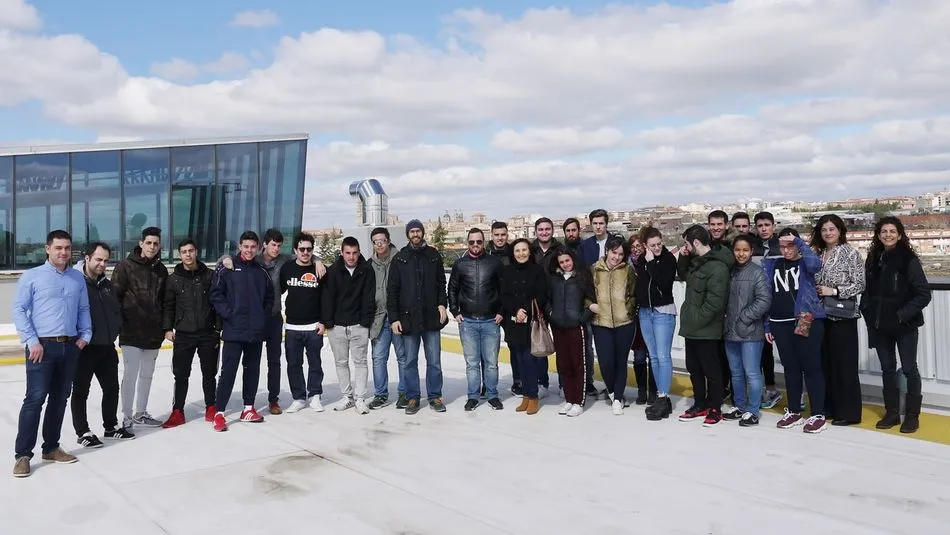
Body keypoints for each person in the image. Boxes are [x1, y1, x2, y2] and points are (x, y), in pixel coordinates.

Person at [220, 229, 327, 415]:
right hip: (253, 319)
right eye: (273, 245)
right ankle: (240, 403)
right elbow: (234, 258)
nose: (276, 249)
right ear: (265, 245)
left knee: (274, 361)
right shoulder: (255, 260)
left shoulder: (284, 260)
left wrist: (318, 261)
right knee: (251, 362)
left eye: (279, 245)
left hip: (274, 317)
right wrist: (224, 258)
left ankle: (273, 400)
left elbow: (304, 253)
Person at [12, 230, 92, 478]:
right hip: (41, 348)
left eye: (67, 248)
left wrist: (85, 336)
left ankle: (51, 448)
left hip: (69, 347)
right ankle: (23, 455)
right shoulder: (32, 277)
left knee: (59, 399)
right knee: (35, 400)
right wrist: (32, 340)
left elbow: (83, 309)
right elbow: (18, 309)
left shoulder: (77, 279)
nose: (63, 252)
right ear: (48, 249)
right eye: (58, 248)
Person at [861, 216, 932, 434]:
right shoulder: (873, 259)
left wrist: (901, 315)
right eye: (884, 231)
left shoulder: (908, 259)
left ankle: (912, 416)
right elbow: (869, 293)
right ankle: (892, 412)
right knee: (887, 369)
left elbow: (923, 294)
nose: (888, 235)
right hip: (880, 326)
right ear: (878, 235)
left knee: (910, 369)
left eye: (893, 231)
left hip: (904, 326)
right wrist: (869, 314)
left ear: (900, 235)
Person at [209, 231, 274, 432]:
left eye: (253, 247)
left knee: (252, 370)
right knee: (228, 371)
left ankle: (248, 408)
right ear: (239, 246)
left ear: (258, 248)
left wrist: (261, 317)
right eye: (246, 246)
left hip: (255, 331)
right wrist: (230, 314)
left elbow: (269, 298)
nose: (249, 250)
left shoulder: (261, 271)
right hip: (234, 330)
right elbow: (215, 294)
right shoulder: (227, 268)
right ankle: (219, 413)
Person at [764, 228, 828, 434]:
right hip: (779, 322)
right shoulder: (772, 265)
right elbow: (767, 295)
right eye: (782, 246)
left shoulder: (804, 263)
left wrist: (800, 243)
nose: (786, 250)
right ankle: (793, 411)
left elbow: (815, 264)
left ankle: (817, 414)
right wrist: (767, 324)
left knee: (811, 367)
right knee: (790, 368)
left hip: (805, 319)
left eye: (790, 245)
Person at [71, 242, 133, 447]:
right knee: (81, 391)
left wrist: (117, 329)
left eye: (106, 260)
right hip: (84, 348)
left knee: (112, 389)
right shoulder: (75, 283)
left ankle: (110, 427)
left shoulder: (107, 285)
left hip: (106, 347)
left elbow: (115, 311)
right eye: (98, 259)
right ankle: (83, 432)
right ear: (87, 258)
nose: (102, 264)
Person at [811, 214, 866, 427]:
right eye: (824, 230)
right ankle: (831, 407)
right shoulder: (819, 253)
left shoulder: (851, 254)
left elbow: (859, 284)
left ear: (840, 231)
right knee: (826, 363)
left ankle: (850, 412)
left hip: (842, 316)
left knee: (845, 365)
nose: (828, 233)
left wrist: (833, 290)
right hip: (822, 315)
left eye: (832, 229)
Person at [676, 224, 733, 427]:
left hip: (706, 330)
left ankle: (715, 407)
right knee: (694, 369)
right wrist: (683, 255)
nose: (685, 247)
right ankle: (699, 403)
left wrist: (696, 320)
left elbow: (714, 303)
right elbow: (682, 274)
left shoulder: (717, 267)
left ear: (696, 242)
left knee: (712, 371)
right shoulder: (696, 262)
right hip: (692, 328)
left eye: (687, 244)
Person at [112, 226, 169, 428]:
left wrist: (165, 328)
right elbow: (114, 299)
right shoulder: (125, 266)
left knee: (147, 375)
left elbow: (165, 302)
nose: (152, 247)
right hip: (131, 332)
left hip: (153, 333)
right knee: (130, 374)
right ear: (141, 243)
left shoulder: (161, 270)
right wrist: (119, 326)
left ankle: (141, 412)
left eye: (155, 243)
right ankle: (126, 417)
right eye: (148, 243)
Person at [161, 239, 220, 428]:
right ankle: (178, 411)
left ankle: (211, 406)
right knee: (181, 374)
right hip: (184, 334)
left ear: (196, 252)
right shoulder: (174, 279)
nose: (188, 254)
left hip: (208, 333)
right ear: (180, 254)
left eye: (191, 251)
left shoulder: (210, 276)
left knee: (209, 373)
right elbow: (168, 306)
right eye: (184, 251)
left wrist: (218, 327)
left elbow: (217, 302)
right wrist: (168, 328)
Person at [449, 228, 505, 411]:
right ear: (467, 243)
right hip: (468, 322)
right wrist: (455, 310)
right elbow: (453, 289)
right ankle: (473, 396)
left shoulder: (494, 263)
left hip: (491, 321)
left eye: (478, 242)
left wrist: (502, 311)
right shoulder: (460, 264)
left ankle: (492, 395)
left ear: (483, 242)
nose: (475, 245)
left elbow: (504, 289)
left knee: (491, 363)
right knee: (472, 362)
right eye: (472, 242)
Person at [323, 237, 376, 415]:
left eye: (354, 253)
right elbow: (328, 297)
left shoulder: (366, 270)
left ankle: (360, 399)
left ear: (359, 252)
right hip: (337, 326)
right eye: (348, 253)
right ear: (342, 253)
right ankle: (347, 397)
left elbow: (369, 298)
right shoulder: (333, 271)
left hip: (359, 326)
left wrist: (365, 322)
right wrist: (329, 323)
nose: (351, 257)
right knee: (341, 362)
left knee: (360, 362)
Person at [723, 235, 771, 427]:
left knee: (751, 372)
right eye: (737, 250)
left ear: (752, 252)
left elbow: (764, 300)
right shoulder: (730, 272)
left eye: (745, 250)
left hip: (750, 332)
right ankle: (740, 406)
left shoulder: (757, 273)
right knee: (736, 373)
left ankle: (753, 410)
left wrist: (744, 317)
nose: (741, 254)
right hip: (730, 331)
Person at [589, 235, 637, 415]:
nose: (616, 257)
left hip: (624, 323)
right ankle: (611, 390)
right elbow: (586, 292)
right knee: (606, 362)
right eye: (614, 252)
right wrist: (590, 305)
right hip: (601, 323)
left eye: (620, 254)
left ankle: (618, 397)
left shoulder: (628, 271)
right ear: (607, 251)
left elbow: (632, 294)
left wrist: (628, 310)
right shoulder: (594, 269)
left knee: (620, 361)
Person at [280, 232, 327, 413]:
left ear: (312, 250)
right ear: (295, 250)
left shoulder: (320, 270)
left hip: (314, 326)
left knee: (315, 362)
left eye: (309, 249)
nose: (305, 252)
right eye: (302, 249)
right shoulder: (287, 269)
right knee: (293, 364)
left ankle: (315, 395)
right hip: (292, 327)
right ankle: (298, 397)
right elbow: (279, 291)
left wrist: (323, 321)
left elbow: (326, 298)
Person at [546, 247, 595, 417]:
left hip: (576, 327)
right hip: (558, 327)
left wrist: (582, 318)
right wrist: (552, 315)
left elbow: (592, 300)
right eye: (561, 262)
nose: (565, 264)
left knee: (578, 365)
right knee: (563, 365)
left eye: (567, 260)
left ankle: (578, 401)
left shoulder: (582, 277)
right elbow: (547, 301)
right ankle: (569, 399)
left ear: (573, 259)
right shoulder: (554, 279)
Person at [501, 239, 548, 415]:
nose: (521, 253)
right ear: (513, 253)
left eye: (524, 250)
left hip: (530, 322)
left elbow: (541, 295)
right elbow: (504, 295)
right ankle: (526, 396)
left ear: (529, 252)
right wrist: (516, 310)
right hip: (513, 322)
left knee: (529, 360)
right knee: (519, 360)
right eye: (517, 250)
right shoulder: (507, 271)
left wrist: (525, 311)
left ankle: (533, 396)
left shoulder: (537, 271)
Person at [636, 227, 678, 421]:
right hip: (646, 312)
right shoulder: (640, 260)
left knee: (663, 355)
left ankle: (663, 396)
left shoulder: (668, 259)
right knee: (653, 356)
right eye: (652, 245)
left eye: (659, 244)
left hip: (663, 311)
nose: (657, 247)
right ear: (646, 246)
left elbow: (663, 282)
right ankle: (662, 397)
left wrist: (652, 263)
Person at [367, 227, 408, 410]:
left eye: (382, 240)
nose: (380, 244)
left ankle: (404, 393)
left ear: (389, 240)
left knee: (403, 357)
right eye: (376, 241)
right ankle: (381, 394)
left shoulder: (400, 260)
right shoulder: (369, 265)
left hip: (397, 317)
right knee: (378, 358)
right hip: (378, 319)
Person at [627, 232, 657, 405]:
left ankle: (653, 390)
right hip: (635, 316)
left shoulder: (649, 263)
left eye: (639, 246)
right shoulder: (628, 267)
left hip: (650, 312)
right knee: (639, 356)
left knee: (652, 354)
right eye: (633, 247)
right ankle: (642, 390)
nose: (636, 250)